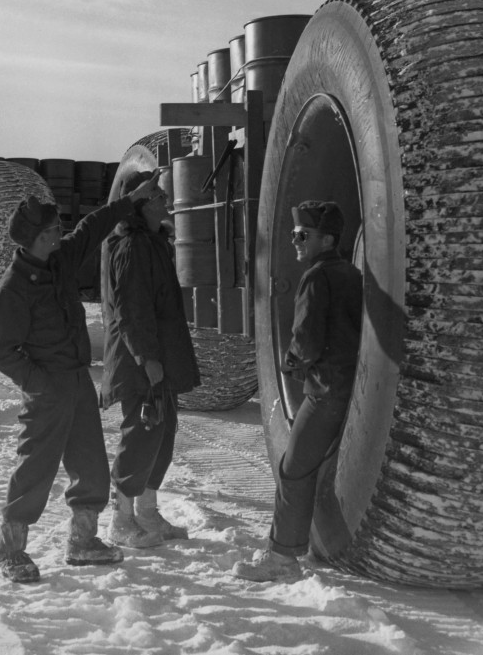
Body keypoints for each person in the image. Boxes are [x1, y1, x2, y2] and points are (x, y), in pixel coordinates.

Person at [0, 171, 164, 584]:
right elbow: (1, 350)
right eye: (49, 232)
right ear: (30, 238)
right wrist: (39, 383)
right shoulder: (14, 287)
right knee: (34, 471)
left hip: (77, 382)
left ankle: (82, 542)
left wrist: (130, 200)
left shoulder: (60, 258)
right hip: (47, 389)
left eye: (57, 229)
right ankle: (10, 550)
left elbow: (93, 227)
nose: (57, 236)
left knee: (91, 467)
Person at [233, 200, 363, 581]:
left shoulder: (316, 277)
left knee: (292, 469)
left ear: (327, 239)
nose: (295, 240)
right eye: (293, 234)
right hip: (350, 385)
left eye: (302, 234)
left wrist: (290, 362)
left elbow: (305, 339)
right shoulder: (351, 275)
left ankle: (282, 559)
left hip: (324, 390)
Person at [100, 170, 201, 549]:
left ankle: (146, 512)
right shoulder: (132, 247)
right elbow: (131, 311)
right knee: (142, 433)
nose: (164, 197)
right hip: (138, 360)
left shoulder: (155, 243)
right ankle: (121, 520)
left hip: (158, 358)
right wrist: (147, 359)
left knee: (162, 431)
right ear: (138, 205)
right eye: (156, 193)